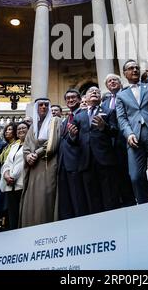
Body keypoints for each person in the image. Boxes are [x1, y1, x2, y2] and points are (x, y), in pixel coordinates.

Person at [116, 59, 148, 204]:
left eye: (137, 68)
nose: (134, 70)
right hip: (134, 137)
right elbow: (122, 117)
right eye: (131, 68)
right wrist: (129, 133)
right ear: (125, 74)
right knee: (135, 176)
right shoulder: (121, 95)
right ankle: (145, 205)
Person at [69, 87, 120, 214]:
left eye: (97, 91)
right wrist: (72, 136)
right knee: (92, 197)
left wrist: (104, 127)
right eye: (91, 92)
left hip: (105, 160)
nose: (94, 93)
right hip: (86, 162)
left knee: (110, 195)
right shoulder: (79, 117)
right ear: (85, 98)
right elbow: (73, 142)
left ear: (100, 97)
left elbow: (115, 132)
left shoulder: (109, 111)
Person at [19, 98, 61, 227]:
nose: (43, 107)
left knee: (46, 198)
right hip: (33, 167)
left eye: (46, 105)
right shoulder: (32, 126)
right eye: (40, 105)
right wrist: (27, 156)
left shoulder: (55, 121)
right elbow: (26, 146)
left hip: (48, 164)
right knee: (31, 201)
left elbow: (53, 143)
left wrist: (36, 153)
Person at [101, 74, 136, 207]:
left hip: (130, 137)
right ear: (107, 86)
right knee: (120, 176)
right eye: (109, 81)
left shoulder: (128, 94)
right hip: (114, 145)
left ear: (120, 83)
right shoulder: (104, 104)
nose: (112, 82)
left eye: (115, 80)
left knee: (134, 174)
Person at [58, 89, 87, 220]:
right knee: (66, 200)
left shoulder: (84, 115)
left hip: (77, 162)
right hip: (63, 164)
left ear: (80, 99)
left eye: (73, 97)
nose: (70, 100)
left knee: (78, 198)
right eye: (68, 98)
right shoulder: (65, 120)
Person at [1, 121, 29, 230]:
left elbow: (23, 163)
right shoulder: (14, 146)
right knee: (12, 216)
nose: (21, 130)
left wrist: (12, 176)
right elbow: (7, 163)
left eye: (24, 128)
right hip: (9, 185)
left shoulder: (31, 144)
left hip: (21, 183)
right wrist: (6, 175)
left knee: (23, 214)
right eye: (19, 129)